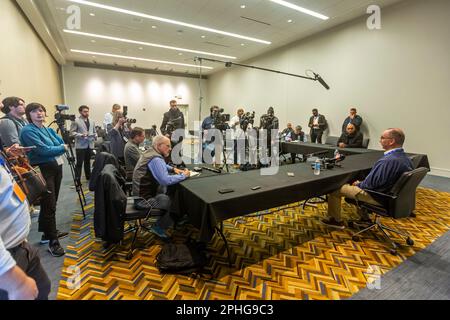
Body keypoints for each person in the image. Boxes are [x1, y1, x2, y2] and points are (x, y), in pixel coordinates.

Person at [321, 128, 413, 229]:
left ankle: (334, 220)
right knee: (359, 182)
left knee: (335, 188)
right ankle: (364, 219)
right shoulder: (405, 158)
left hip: (378, 196)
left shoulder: (387, 161)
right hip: (391, 196)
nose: (380, 140)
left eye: (382, 138)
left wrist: (359, 184)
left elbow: (372, 184)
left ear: (391, 141)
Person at [0, 146, 51, 300]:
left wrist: (6, 153)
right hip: (7, 260)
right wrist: (17, 283)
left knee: (43, 288)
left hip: (20, 246)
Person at [20, 103, 69, 257]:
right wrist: (62, 147)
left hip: (56, 167)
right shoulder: (27, 130)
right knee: (49, 204)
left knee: (51, 203)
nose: (39, 113)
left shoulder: (47, 129)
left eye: (41, 110)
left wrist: (58, 146)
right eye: (34, 111)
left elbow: (56, 142)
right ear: (29, 115)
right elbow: (43, 150)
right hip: (43, 169)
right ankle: (53, 242)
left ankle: (47, 233)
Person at [132, 136, 190, 239]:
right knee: (175, 202)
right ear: (159, 145)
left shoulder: (151, 152)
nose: (170, 148)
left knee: (169, 194)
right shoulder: (155, 158)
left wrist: (173, 169)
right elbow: (165, 180)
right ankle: (159, 227)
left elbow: (161, 165)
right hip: (143, 200)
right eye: (168, 146)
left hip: (140, 195)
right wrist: (183, 175)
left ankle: (169, 219)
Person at [70, 105, 97, 181]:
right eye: (85, 111)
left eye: (87, 111)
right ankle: (77, 178)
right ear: (80, 112)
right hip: (80, 146)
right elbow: (72, 133)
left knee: (88, 162)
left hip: (90, 144)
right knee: (79, 163)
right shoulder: (75, 121)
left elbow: (94, 131)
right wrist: (81, 135)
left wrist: (95, 135)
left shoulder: (92, 121)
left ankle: (88, 177)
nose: (87, 113)